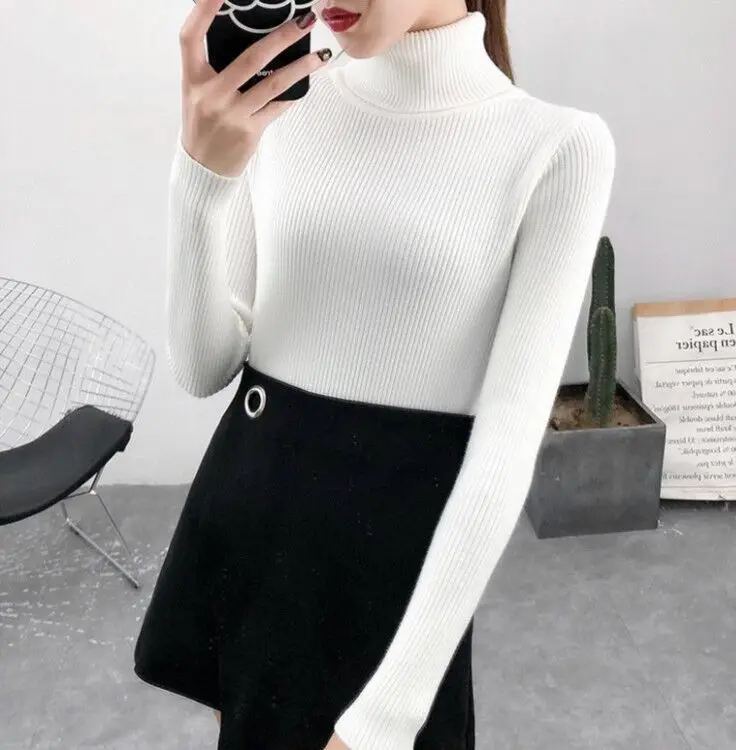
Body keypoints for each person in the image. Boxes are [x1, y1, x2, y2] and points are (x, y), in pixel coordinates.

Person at [133, 0, 616, 748]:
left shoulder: (557, 146)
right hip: (251, 532)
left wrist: (386, 719)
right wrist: (199, 179)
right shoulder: (282, 105)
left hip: (393, 578)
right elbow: (203, 368)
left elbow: (503, 451)